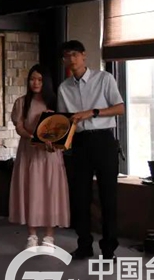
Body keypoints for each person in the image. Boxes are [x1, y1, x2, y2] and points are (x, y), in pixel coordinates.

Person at [57, 40, 125, 260]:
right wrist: (53, 139)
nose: (71, 59)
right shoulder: (63, 88)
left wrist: (92, 112)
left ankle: (109, 248)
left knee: (108, 196)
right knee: (80, 198)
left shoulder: (104, 78)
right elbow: (65, 122)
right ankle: (84, 245)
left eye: (75, 54)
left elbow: (120, 108)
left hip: (104, 140)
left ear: (84, 55)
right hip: (79, 143)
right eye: (67, 56)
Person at [9, 64, 70, 251]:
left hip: (50, 154)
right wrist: (33, 137)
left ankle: (49, 237)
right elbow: (19, 127)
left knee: (50, 191)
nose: (35, 83)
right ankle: (32, 235)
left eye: (39, 80)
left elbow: (63, 127)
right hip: (29, 152)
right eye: (32, 79)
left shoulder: (56, 102)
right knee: (31, 191)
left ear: (46, 82)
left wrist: (53, 139)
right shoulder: (21, 102)